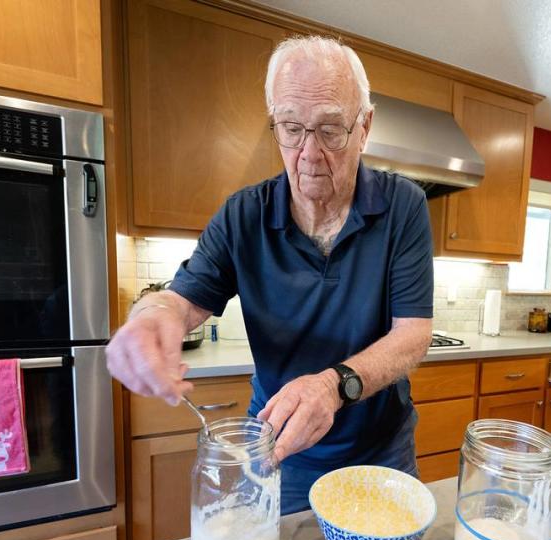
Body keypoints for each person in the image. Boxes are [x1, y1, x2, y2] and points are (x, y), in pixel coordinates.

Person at [106, 35, 434, 514]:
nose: (308, 153)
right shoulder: (243, 216)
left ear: (364, 127)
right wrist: (151, 316)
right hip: (283, 447)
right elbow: (182, 300)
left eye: (330, 129)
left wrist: (332, 385)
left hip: (381, 451)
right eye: (291, 127)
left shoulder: (404, 206)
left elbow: (414, 335)